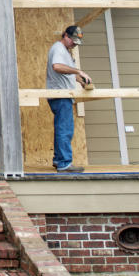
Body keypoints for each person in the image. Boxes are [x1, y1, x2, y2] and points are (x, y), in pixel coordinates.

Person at [46, 25, 91, 173]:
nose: (73, 44)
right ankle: (64, 164)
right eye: (72, 40)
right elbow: (57, 67)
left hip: (64, 95)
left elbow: (69, 73)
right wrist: (78, 71)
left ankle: (59, 160)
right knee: (64, 130)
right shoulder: (58, 48)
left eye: (76, 42)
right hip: (60, 95)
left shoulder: (65, 51)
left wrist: (81, 80)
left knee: (64, 129)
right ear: (65, 35)